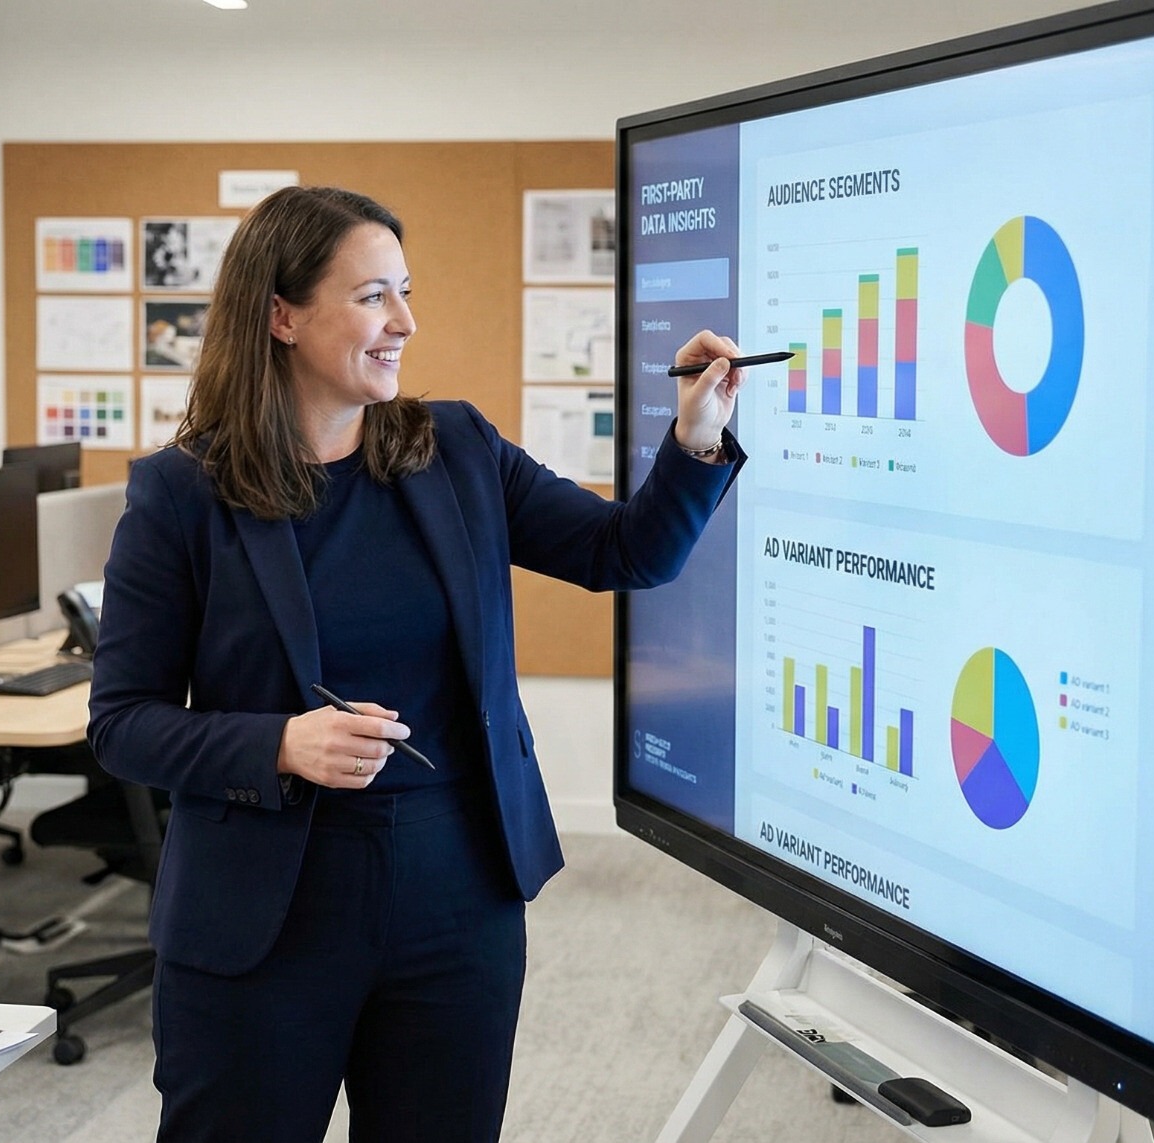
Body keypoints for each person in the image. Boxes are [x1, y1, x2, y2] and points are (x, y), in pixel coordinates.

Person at [86, 185, 744, 1143]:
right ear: (281, 315)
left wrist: (696, 434)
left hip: (456, 893)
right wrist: (280, 743)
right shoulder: (181, 493)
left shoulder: (458, 448)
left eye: (406, 291)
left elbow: (625, 551)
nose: (405, 321)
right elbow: (122, 722)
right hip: (264, 908)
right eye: (373, 297)